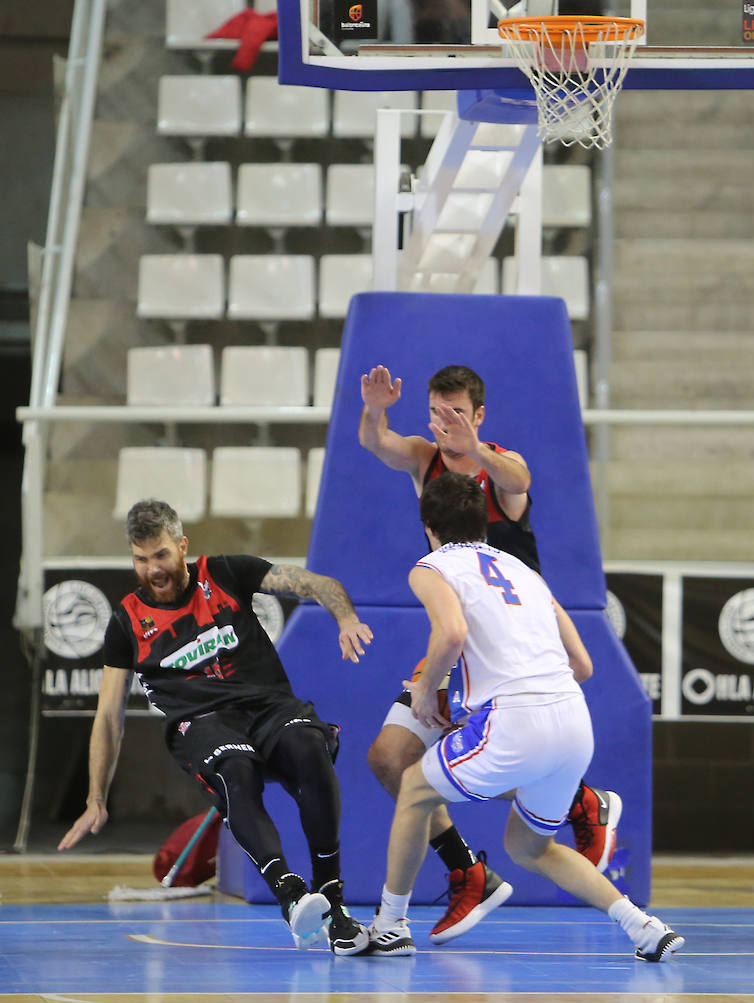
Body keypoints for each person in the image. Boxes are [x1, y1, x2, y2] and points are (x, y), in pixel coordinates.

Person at [365, 472, 683, 961]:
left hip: (514, 719)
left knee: (413, 790)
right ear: (484, 524)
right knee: (528, 848)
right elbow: (584, 665)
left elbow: (450, 632)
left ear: (429, 527)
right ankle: (643, 926)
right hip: (574, 721)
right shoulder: (523, 571)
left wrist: (428, 691)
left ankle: (389, 924)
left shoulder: (431, 566)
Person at [359, 363, 619, 943]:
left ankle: (577, 801)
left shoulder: (502, 467)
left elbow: (520, 479)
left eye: (455, 414)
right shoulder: (425, 459)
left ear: (478, 416)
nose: (443, 424)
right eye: (435, 412)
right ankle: (467, 869)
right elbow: (377, 442)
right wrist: (375, 408)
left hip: (511, 648)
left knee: (448, 768)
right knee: (390, 758)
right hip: (463, 639)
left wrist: (474, 447)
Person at [58, 500, 374, 956]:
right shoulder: (126, 622)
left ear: (182, 547)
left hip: (267, 707)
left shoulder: (224, 574)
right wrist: (96, 797)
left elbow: (314, 582)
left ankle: (333, 904)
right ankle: (291, 896)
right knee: (236, 769)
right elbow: (109, 716)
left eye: (161, 556)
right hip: (202, 722)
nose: (153, 570)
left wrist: (345, 617)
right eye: (141, 560)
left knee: (309, 745)